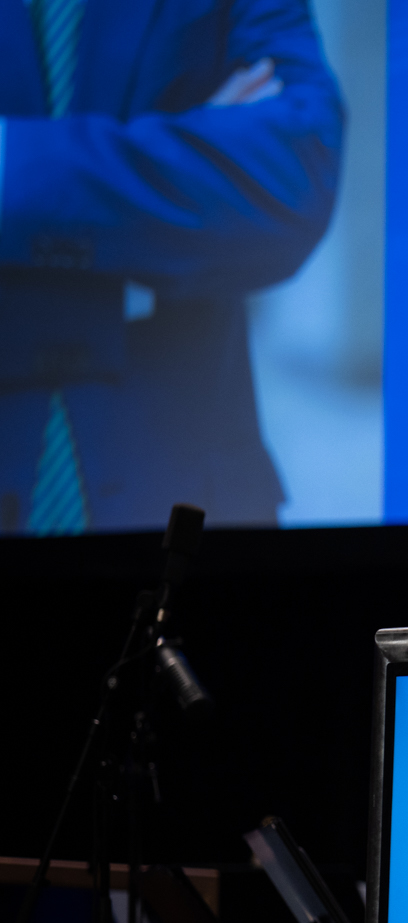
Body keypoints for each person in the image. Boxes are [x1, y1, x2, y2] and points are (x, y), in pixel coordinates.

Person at [1, 0, 343, 532]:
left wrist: (10, 162)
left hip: (196, 518)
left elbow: (291, 185)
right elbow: (240, 194)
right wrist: (183, 182)